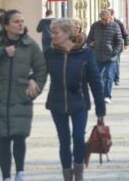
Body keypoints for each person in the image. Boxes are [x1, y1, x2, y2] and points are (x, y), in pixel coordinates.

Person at [0, 9, 47, 181]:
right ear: (6, 25)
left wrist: (35, 87)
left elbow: (41, 69)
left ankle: (21, 172)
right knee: (3, 139)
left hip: (21, 97)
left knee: (19, 136)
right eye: (16, 21)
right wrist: (1, 52)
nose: (21, 24)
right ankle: (6, 176)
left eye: (22, 21)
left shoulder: (30, 45)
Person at [45, 18, 105, 181]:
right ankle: (67, 175)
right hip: (57, 103)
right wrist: (30, 84)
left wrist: (100, 109)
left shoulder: (85, 53)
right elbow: (39, 74)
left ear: (67, 33)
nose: (52, 36)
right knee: (64, 140)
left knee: (78, 138)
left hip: (79, 102)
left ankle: (79, 173)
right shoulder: (50, 53)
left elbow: (95, 81)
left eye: (56, 32)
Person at [87, 10, 123, 104]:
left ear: (109, 18)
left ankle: (107, 96)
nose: (104, 21)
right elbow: (89, 39)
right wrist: (91, 45)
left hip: (111, 57)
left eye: (105, 19)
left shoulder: (115, 26)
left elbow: (119, 41)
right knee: (98, 77)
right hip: (97, 55)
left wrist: (115, 52)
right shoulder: (95, 26)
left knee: (108, 76)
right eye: (102, 19)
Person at [109, 9, 129, 86]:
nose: (109, 18)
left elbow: (125, 33)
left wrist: (126, 43)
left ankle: (116, 79)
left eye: (110, 16)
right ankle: (110, 77)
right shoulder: (105, 22)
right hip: (108, 46)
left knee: (116, 63)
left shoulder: (118, 23)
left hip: (117, 46)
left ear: (113, 15)